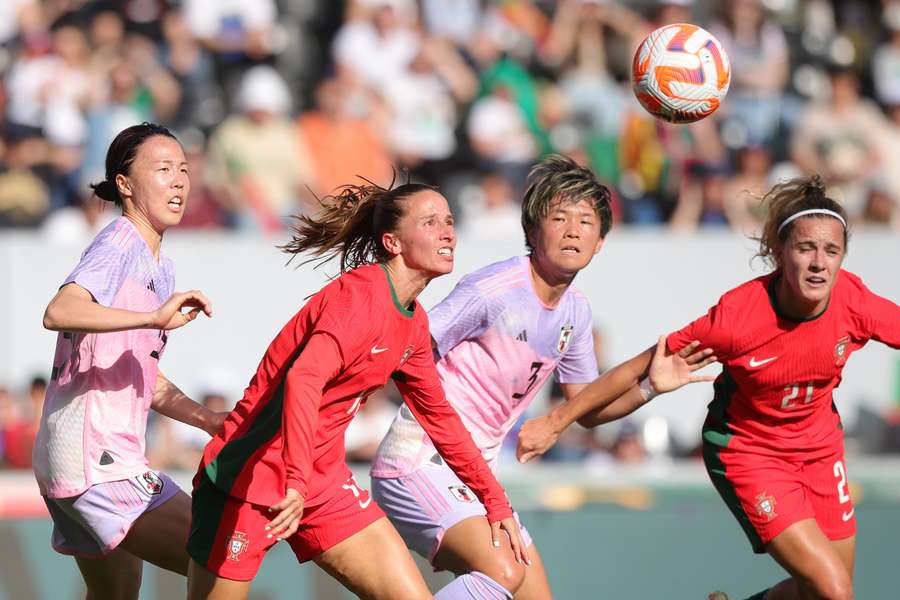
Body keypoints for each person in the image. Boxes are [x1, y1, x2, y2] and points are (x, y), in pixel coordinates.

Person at [517, 175, 900, 600]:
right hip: (750, 453)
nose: (819, 263)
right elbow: (642, 365)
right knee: (834, 590)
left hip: (821, 449)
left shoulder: (855, 302)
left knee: (821, 591)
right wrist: (556, 420)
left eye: (831, 251)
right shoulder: (738, 318)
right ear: (779, 251)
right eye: (805, 248)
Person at [370, 155, 715, 599]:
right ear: (532, 231)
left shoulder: (576, 311)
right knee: (505, 571)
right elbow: (407, 352)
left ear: (601, 240)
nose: (574, 229)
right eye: (559, 217)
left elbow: (586, 408)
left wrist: (649, 386)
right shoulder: (492, 290)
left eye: (586, 220)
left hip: (475, 473)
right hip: (419, 461)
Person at [186, 180, 527, 600]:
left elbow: (440, 419)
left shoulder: (414, 323)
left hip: (322, 483)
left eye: (450, 221)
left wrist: (495, 501)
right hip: (251, 477)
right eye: (430, 222)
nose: (447, 232)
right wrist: (293, 480)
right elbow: (304, 378)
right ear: (393, 242)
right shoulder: (360, 295)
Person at [34, 122, 225, 599]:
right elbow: (59, 310)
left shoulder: (161, 265)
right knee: (219, 559)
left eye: (183, 169)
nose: (179, 180)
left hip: (79, 455)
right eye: (162, 169)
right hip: (97, 458)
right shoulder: (119, 240)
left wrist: (206, 419)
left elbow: (139, 370)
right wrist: (154, 314)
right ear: (125, 184)